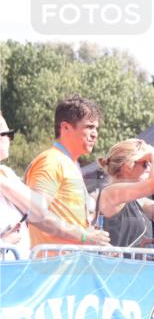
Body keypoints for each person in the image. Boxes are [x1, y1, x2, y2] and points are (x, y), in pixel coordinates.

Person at [24, 96, 111, 249]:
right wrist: (85, 236)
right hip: (51, 268)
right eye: (89, 127)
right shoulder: (50, 161)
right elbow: (36, 214)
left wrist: (94, 239)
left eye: (96, 128)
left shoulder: (69, 163)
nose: (95, 134)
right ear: (65, 128)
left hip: (69, 267)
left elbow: (69, 222)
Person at [0, 112, 48, 259]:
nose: (9, 139)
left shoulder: (6, 173)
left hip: (16, 274)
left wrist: (3, 183)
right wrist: (4, 243)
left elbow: (40, 210)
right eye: (6, 134)